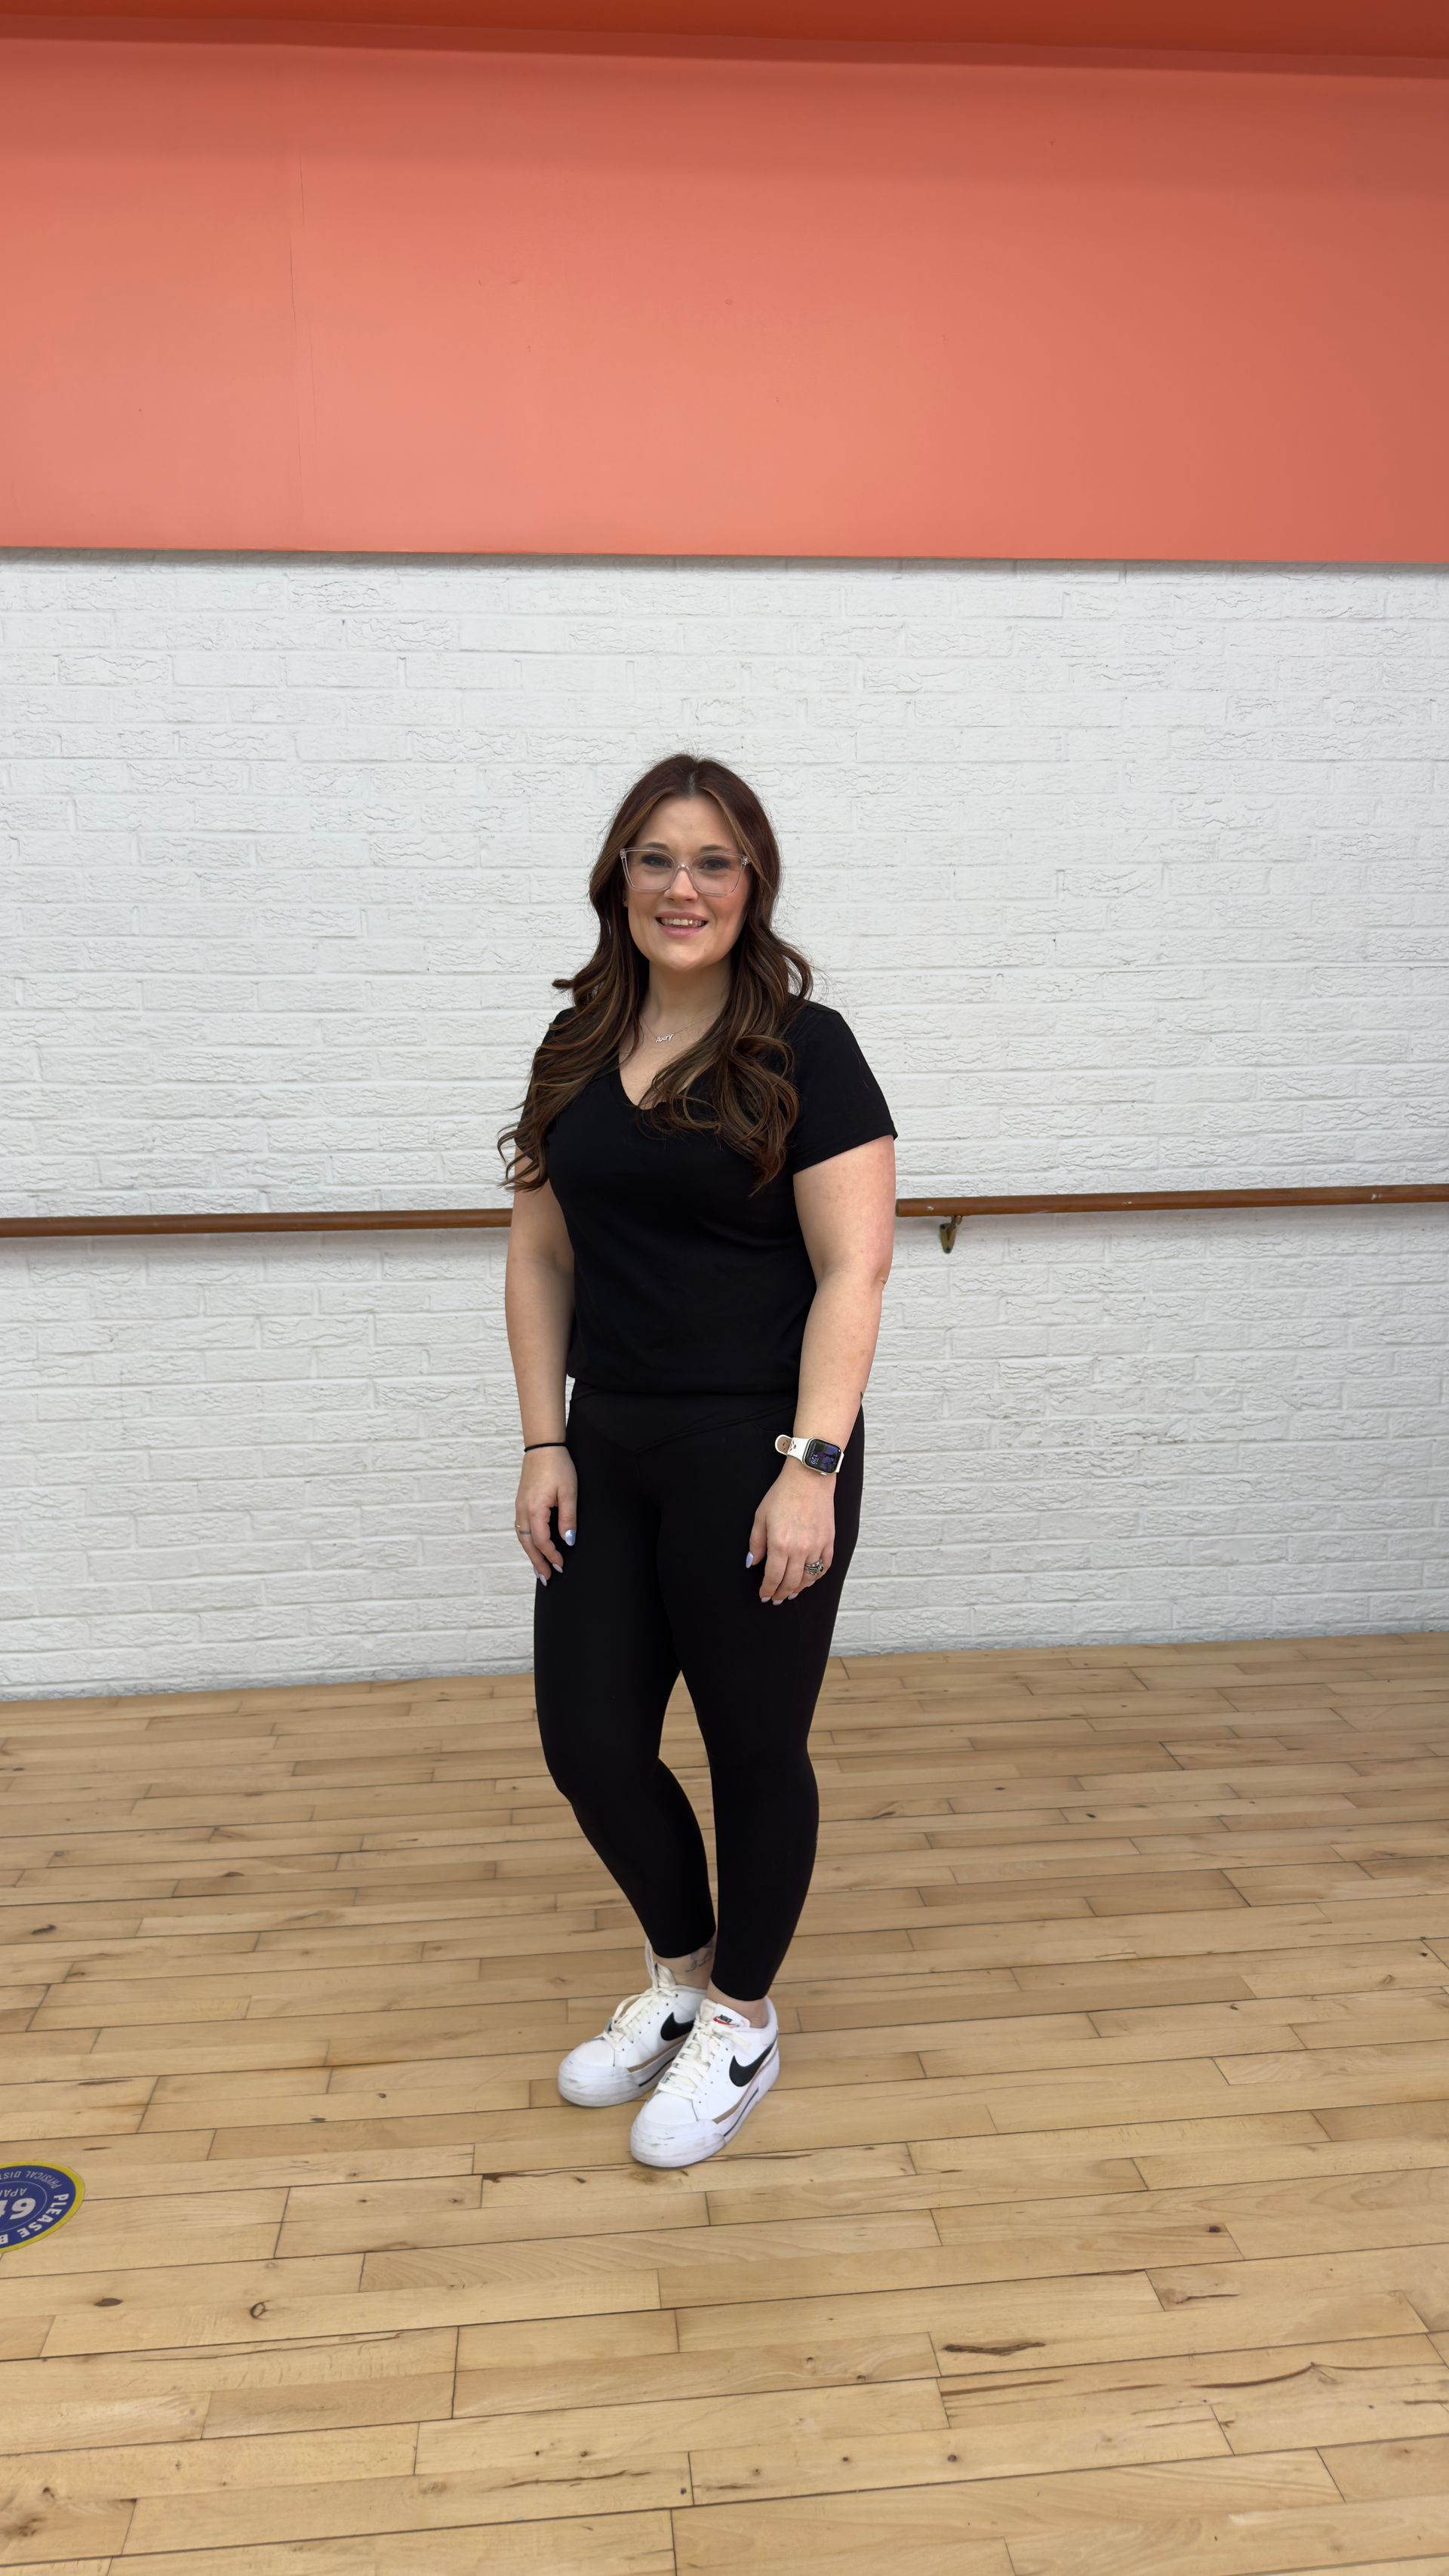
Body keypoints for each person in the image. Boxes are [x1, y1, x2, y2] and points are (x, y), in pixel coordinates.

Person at [498, 752, 896, 2167]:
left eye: (715, 861)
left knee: (750, 1746)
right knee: (591, 1742)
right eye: (659, 858)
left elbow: (854, 1267)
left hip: (756, 1444)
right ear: (621, 875)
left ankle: (742, 2013)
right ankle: (677, 1979)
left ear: (753, 885)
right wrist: (545, 1434)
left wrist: (814, 1465)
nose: (685, 885)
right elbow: (541, 1252)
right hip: (607, 1441)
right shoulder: (572, 1047)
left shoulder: (807, 1046)